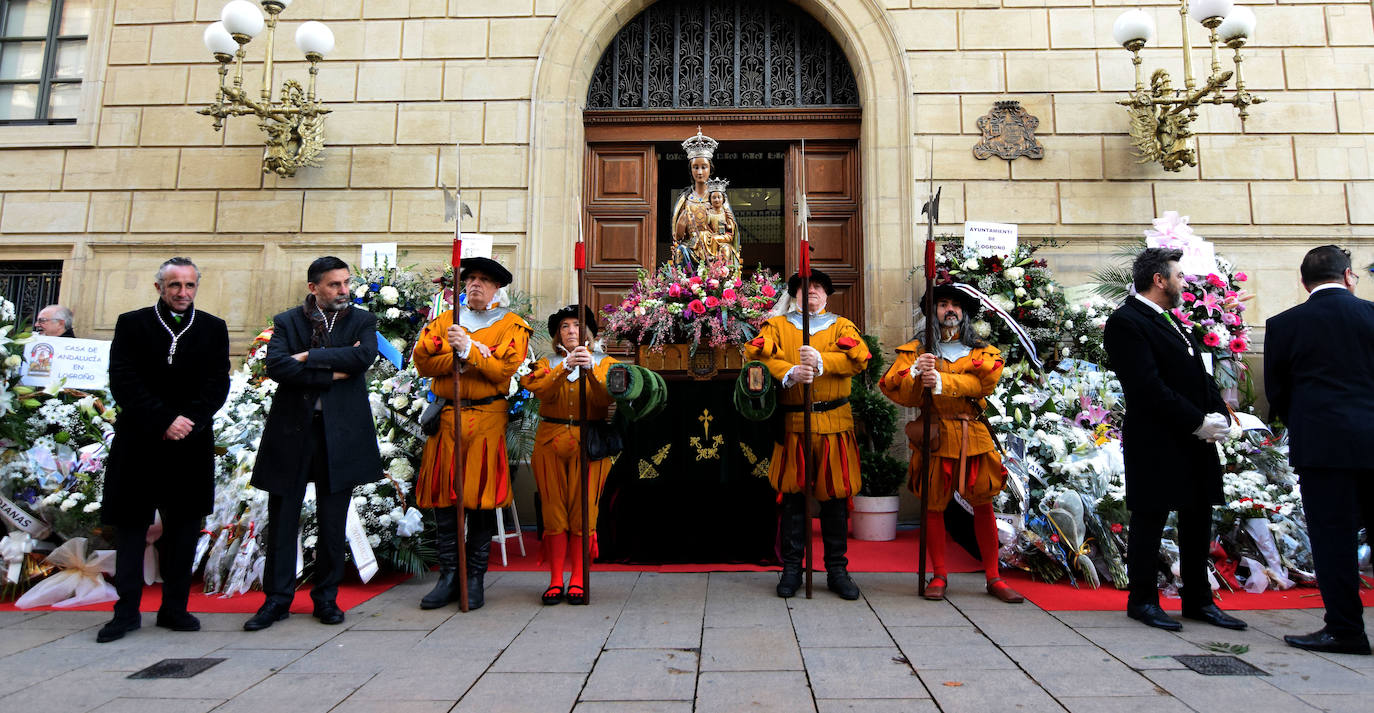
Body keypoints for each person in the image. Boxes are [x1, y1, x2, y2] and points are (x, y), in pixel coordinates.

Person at [1102, 247, 1246, 632]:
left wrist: (1222, 414)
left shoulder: (1170, 319)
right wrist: (1197, 421)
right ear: (1159, 280)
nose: (1184, 283)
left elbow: (1198, 374)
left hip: (1193, 438)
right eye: (1179, 276)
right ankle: (1143, 600)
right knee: (1151, 517)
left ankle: (1198, 599)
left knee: (1198, 515)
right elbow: (1146, 385)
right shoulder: (1126, 321)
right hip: (1157, 437)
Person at [243, 256, 381, 631]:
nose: (343, 291)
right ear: (313, 288)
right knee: (284, 519)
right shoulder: (289, 320)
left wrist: (307, 357)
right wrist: (332, 371)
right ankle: (276, 600)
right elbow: (276, 367)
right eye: (335, 285)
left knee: (333, 522)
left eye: (346, 283)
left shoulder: (362, 320)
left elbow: (363, 357)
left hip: (341, 433)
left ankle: (326, 598)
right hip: (292, 432)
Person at [97, 257, 230, 643]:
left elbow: (216, 383)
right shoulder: (132, 323)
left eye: (189, 285)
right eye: (175, 285)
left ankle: (174, 607)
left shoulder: (212, 328)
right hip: (140, 441)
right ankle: (125, 612)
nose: (182, 293)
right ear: (160, 287)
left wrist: (188, 419)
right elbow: (123, 380)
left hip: (190, 442)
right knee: (132, 528)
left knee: (184, 528)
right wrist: (162, 420)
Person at [879, 284, 1023, 603]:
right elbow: (895, 388)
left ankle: (993, 577)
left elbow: (984, 383)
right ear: (933, 312)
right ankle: (940, 573)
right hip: (936, 435)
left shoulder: (982, 351)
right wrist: (917, 372)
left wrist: (943, 381)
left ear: (965, 313)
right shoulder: (917, 351)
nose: (949, 310)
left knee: (983, 503)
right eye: (942, 304)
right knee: (933, 505)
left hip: (974, 435)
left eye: (955, 305)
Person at [1265, 245, 1374, 655]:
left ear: (1304, 281)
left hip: (1323, 445)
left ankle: (1345, 628)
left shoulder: (1285, 324)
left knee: (1334, 541)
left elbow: (1277, 392)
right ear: (1348, 276)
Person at [412, 256, 532, 610]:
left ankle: (474, 577)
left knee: (479, 501)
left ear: (496, 288)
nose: (475, 284)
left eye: (484, 280)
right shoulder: (446, 321)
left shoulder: (512, 325)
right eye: (471, 279)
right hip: (447, 419)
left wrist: (467, 351)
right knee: (446, 503)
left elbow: (502, 370)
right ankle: (449, 575)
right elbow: (423, 361)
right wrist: (464, 357)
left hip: (485, 420)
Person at [744, 268, 869, 600]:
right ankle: (792, 569)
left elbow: (859, 359)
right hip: (794, 425)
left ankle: (837, 570)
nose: (810, 291)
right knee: (793, 501)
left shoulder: (842, 326)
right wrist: (789, 372)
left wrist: (821, 361)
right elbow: (755, 355)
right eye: (803, 287)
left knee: (835, 501)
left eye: (816, 287)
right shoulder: (777, 326)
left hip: (834, 425)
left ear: (826, 295)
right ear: (794, 294)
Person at [521, 305, 618, 605]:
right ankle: (554, 579)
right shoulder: (545, 363)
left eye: (577, 325)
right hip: (550, 443)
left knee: (583, 511)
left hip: (589, 444)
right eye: (564, 326)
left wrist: (589, 371)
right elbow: (540, 392)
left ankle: (578, 577)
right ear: (557, 334)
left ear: (587, 332)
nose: (571, 330)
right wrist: (564, 368)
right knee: (553, 511)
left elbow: (607, 399)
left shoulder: (606, 362)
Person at [670, 128, 737, 274]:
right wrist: (681, 226)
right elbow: (678, 237)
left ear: (710, 169)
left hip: (714, 248)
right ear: (691, 170)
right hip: (691, 248)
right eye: (696, 167)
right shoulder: (685, 199)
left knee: (726, 250)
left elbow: (729, 232)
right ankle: (686, 285)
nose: (699, 172)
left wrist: (711, 239)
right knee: (681, 250)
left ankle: (719, 286)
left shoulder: (718, 198)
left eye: (703, 167)